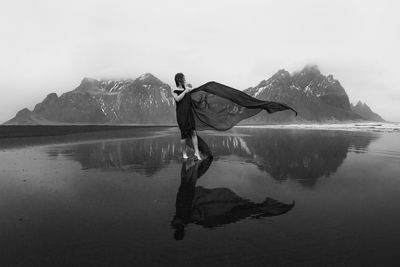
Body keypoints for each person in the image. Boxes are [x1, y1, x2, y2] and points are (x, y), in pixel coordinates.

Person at [171, 73, 297, 160]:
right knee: (184, 135)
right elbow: (177, 99)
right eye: (183, 78)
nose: (185, 80)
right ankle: (184, 154)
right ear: (179, 80)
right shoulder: (175, 91)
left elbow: (195, 97)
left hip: (189, 114)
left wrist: (192, 90)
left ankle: (197, 153)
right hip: (181, 115)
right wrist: (186, 91)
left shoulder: (187, 90)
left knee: (193, 133)